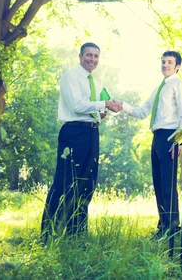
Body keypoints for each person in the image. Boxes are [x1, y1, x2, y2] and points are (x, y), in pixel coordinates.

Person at [41, 42, 122, 241]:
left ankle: (76, 233)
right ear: (80, 56)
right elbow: (76, 105)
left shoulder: (96, 82)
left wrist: (104, 111)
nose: (92, 59)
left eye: (96, 56)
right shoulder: (70, 77)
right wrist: (104, 104)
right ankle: (48, 232)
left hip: (92, 133)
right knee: (64, 182)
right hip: (73, 133)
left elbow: (99, 107)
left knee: (86, 184)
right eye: (89, 55)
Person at [121, 50, 182, 239]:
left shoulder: (179, 85)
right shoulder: (158, 88)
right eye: (163, 62)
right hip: (157, 137)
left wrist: (181, 141)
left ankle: (172, 228)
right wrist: (122, 105)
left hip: (170, 137)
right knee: (159, 184)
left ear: (177, 66)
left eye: (169, 62)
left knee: (168, 184)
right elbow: (142, 112)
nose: (165, 65)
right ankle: (163, 226)